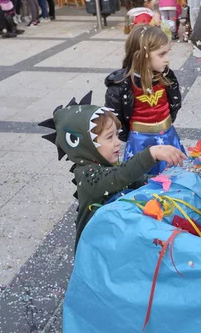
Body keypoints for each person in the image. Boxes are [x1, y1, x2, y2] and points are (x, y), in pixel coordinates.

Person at [39, 94, 186, 249]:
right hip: (96, 251)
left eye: (117, 134)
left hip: (115, 243)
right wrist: (152, 153)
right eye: (109, 137)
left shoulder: (104, 164)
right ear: (85, 144)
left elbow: (133, 180)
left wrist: (160, 179)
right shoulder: (87, 176)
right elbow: (119, 177)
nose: (117, 143)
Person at [104, 25, 185, 175]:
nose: (167, 59)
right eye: (161, 55)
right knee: (142, 180)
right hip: (140, 142)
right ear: (142, 55)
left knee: (174, 177)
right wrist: (130, 135)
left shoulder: (166, 77)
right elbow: (115, 118)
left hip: (168, 136)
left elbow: (174, 103)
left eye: (167, 53)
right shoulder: (123, 85)